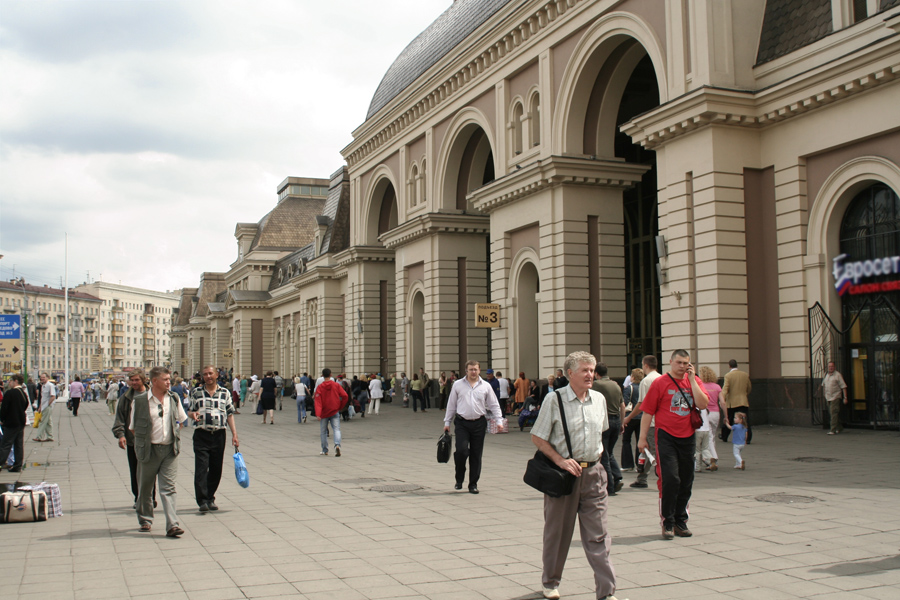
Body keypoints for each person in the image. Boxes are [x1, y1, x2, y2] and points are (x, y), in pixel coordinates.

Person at [530, 351, 622, 600]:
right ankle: (550, 582)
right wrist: (560, 460)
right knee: (557, 533)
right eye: (585, 370)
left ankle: (606, 592)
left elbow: (601, 433)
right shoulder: (555, 400)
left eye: (592, 370)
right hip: (564, 477)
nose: (590, 375)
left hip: (594, 473)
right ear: (570, 373)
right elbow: (538, 436)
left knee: (599, 535)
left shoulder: (599, 399)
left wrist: (598, 465)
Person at [637, 350, 709, 540]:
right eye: (679, 362)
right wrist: (642, 438)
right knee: (670, 478)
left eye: (686, 363)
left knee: (686, 479)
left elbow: (703, 404)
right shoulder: (660, 383)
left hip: (688, 437)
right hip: (666, 436)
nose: (682, 366)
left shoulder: (694, 381)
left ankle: (680, 521)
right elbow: (647, 412)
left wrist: (692, 381)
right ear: (670, 362)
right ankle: (667, 521)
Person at [130, 366, 188, 537]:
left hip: (170, 450)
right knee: (146, 488)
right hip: (149, 451)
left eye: (169, 379)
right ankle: (145, 519)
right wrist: (144, 442)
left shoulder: (173, 398)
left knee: (168, 488)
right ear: (154, 381)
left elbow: (181, 420)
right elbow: (133, 428)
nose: (169, 382)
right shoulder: (140, 401)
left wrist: (174, 433)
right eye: (165, 379)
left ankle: (172, 524)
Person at [442, 359, 503, 494]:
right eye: (471, 369)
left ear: (479, 370)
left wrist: (499, 420)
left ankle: (473, 484)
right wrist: (447, 422)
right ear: (466, 371)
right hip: (462, 423)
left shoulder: (485, 386)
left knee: (476, 454)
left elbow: (494, 404)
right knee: (461, 451)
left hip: (479, 423)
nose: (473, 372)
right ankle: (459, 479)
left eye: (476, 369)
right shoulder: (458, 385)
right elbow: (451, 405)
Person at [188, 365, 239, 512]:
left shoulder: (224, 393)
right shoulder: (196, 392)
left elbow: (229, 414)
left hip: (219, 434)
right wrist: (193, 415)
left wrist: (234, 434)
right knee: (201, 468)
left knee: (216, 468)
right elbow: (190, 411)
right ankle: (202, 500)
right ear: (202, 377)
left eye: (210, 373)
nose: (208, 376)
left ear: (216, 375)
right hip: (201, 434)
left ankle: (210, 497)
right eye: (205, 374)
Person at [113, 370, 157, 509]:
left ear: (143, 380)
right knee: (135, 471)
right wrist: (121, 435)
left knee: (149, 471)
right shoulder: (126, 398)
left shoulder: (153, 395)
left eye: (137, 380)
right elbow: (120, 418)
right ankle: (138, 497)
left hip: (152, 440)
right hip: (133, 440)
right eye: (131, 380)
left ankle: (150, 497)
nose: (134, 383)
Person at [627, 356, 660, 489]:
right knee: (648, 450)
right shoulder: (661, 378)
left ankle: (664, 476)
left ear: (645, 365)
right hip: (660, 421)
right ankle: (642, 478)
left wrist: (628, 418)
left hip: (650, 422)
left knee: (653, 452)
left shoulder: (646, 381)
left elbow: (642, 404)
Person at [593, 363, 625, 496]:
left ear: (596, 374)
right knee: (609, 452)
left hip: (604, 422)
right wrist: (622, 423)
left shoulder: (597, 385)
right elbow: (622, 405)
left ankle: (609, 487)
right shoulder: (616, 385)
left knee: (604, 455)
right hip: (616, 420)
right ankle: (617, 477)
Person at [314, 368, 348, 456]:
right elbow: (345, 395)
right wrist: (340, 406)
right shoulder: (336, 385)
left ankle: (325, 450)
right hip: (334, 411)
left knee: (323, 432)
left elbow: (318, 401)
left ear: (322, 375)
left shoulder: (320, 387)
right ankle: (337, 445)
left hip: (324, 412)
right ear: (331, 375)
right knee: (336, 429)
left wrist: (318, 413)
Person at [0, 374, 29, 472]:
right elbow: (26, 404)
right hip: (20, 421)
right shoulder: (23, 393)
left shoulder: (10, 393)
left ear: (15, 381)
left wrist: (2, 419)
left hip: (11, 422)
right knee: (18, 444)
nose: (9, 383)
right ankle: (18, 465)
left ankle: (0, 463)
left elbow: (4, 408)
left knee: (6, 444)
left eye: (10, 381)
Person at [722, 359, 752, 443]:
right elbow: (749, 388)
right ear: (737, 365)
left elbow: (725, 389)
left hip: (732, 402)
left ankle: (724, 436)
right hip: (743, 401)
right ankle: (748, 438)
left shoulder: (728, 376)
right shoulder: (745, 375)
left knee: (730, 419)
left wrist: (722, 398)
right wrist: (744, 394)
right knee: (746, 420)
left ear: (729, 366)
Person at [698, 366, 722, 470]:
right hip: (716, 413)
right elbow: (722, 402)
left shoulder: (700, 386)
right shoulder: (717, 387)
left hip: (705, 413)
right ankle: (711, 457)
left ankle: (712, 457)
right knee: (712, 436)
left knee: (708, 437)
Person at [620, 368, 643, 471]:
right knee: (639, 441)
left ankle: (627, 464)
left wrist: (623, 417)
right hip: (641, 417)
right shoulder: (643, 388)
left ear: (632, 377)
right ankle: (640, 464)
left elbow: (624, 403)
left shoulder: (629, 388)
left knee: (626, 440)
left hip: (630, 416)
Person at [821, 361, 848, 435]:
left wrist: (845, 397)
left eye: (832, 366)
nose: (831, 368)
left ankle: (832, 430)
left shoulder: (838, 375)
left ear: (835, 367)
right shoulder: (826, 374)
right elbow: (823, 384)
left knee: (833, 412)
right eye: (829, 366)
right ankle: (839, 427)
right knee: (833, 413)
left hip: (835, 397)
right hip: (828, 397)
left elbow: (844, 387)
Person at [33, 372, 57, 442]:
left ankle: (39, 436)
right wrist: (40, 406)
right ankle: (50, 436)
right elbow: (42, 398)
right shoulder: (43, 386)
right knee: (48, 422)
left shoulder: (50, 385)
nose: (42, 379)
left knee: (42, 422)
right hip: (43, 406)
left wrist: (48, 404)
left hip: (47, 406)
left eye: (44, 377)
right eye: (41, 377)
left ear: (47, 378)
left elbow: (53, 396)